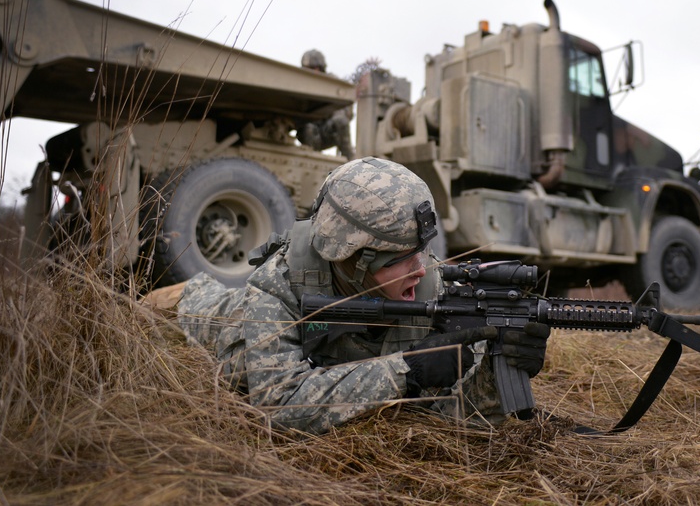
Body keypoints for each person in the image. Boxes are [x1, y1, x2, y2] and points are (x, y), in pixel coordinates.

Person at [176, 156, 550, 434]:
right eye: (399, 260)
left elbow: (455, 424)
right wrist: (407, 371)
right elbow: (279, 405)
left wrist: (494, 374)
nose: (420, 269)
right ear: (352, 258)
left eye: (420, 252)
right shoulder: (281, 283)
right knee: (200, 311)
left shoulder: (434, 291)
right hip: (220, 313)